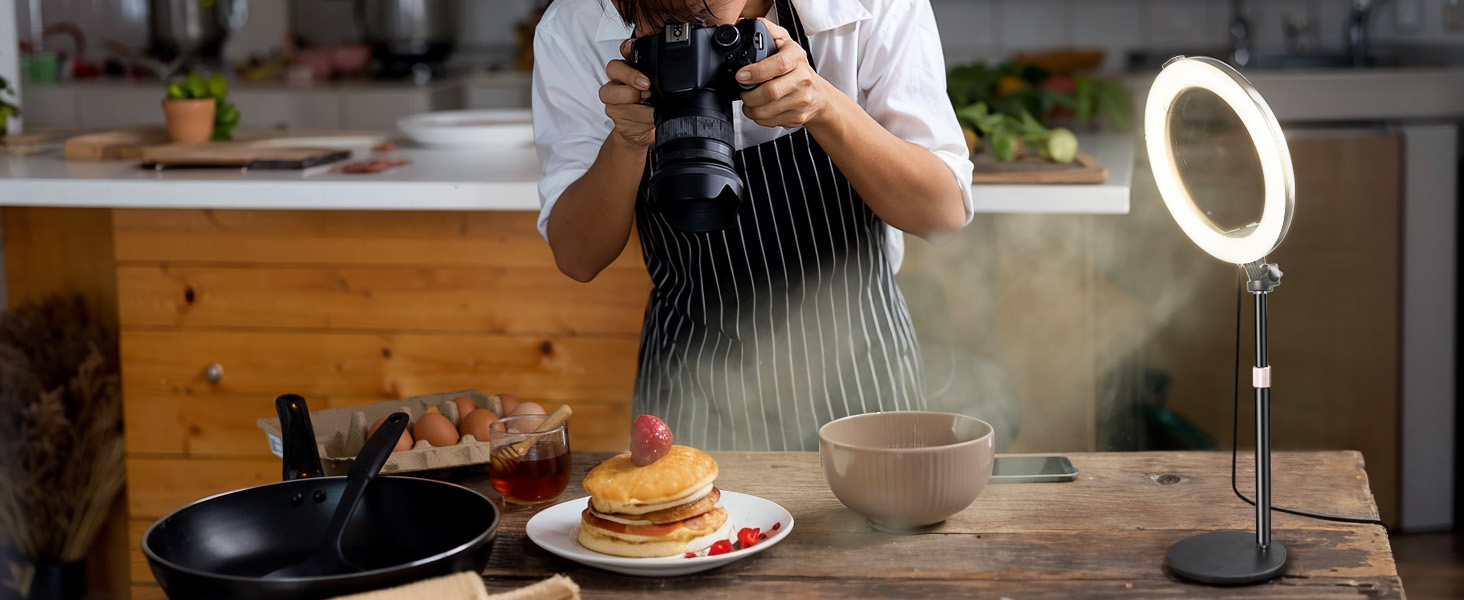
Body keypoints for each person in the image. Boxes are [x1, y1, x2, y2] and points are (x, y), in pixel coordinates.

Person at [532, 0, 974, 450]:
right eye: (654, 15)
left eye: (701, 14)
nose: (681, 29)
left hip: (862, 373)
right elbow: (577, 255)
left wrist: (825, 106)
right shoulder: (575, 26)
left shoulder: (866, 7)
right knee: (681, 517)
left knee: (882, 515)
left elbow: (941, 214)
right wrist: (626, 143)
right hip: (693, 386)